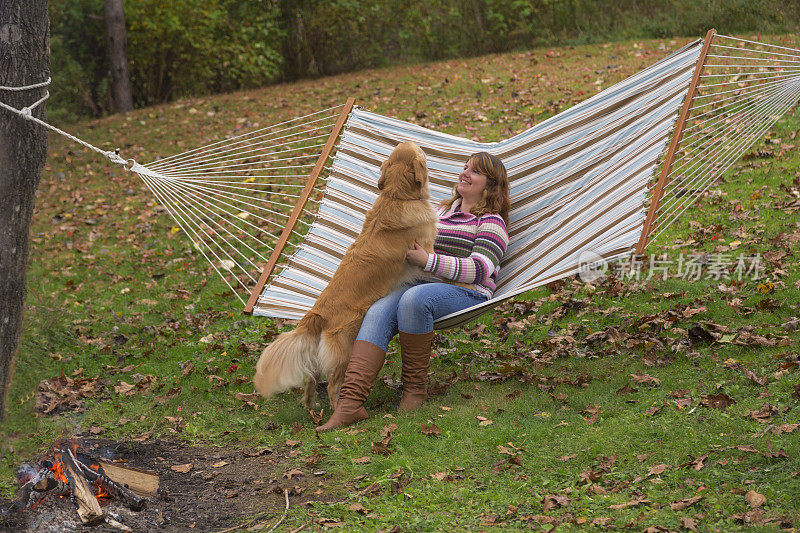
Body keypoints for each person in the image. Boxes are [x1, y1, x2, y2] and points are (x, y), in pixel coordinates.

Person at [316, 151, 511, 431]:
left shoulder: (491, 221)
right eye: (465, 167)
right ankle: (350, 404)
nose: (465, 173)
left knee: (414, 299)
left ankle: (414, 392)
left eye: (475, 171)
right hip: (424, 285)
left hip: (468, 292)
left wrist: (427, 261)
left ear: (492, 185)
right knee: (379, 307)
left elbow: (481, 268)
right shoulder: (441, 211)